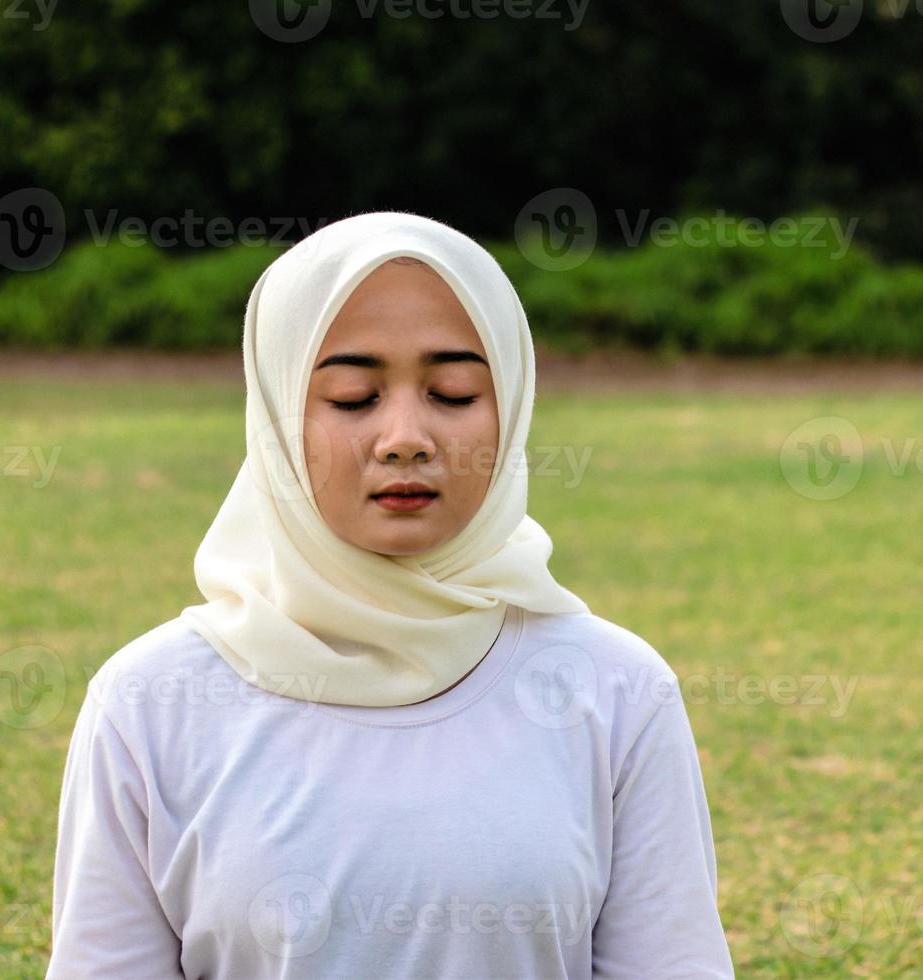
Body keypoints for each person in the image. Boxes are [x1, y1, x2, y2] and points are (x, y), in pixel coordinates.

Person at [45, 211, 735, 978]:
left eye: (453, 391)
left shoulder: (614, 691)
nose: (405, 435)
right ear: (275, 418)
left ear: (512, 405)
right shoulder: (150, 702)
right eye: (350, 397)